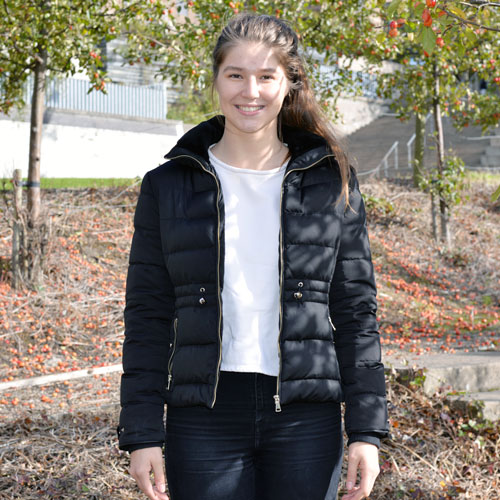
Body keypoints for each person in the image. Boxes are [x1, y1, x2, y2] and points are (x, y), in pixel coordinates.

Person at [118, 13, 388, 500]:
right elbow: (147, 315)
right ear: (216, 79)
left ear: (289, 84)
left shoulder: (332, 182)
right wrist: (142, 433)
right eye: (236, 74)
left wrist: (366, 432)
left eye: (267, 76)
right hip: (203, 417)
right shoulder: (168, 186)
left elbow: (355, 313)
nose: (251, 91)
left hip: (306, 416)